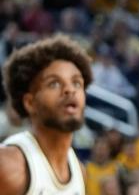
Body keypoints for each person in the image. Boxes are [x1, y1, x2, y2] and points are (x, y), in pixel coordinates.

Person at [0, 34, 91, 194]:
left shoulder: (79, 171)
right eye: (54, 83)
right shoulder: (8, 165)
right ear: (30, 103)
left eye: (76, 82)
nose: (70, 90)